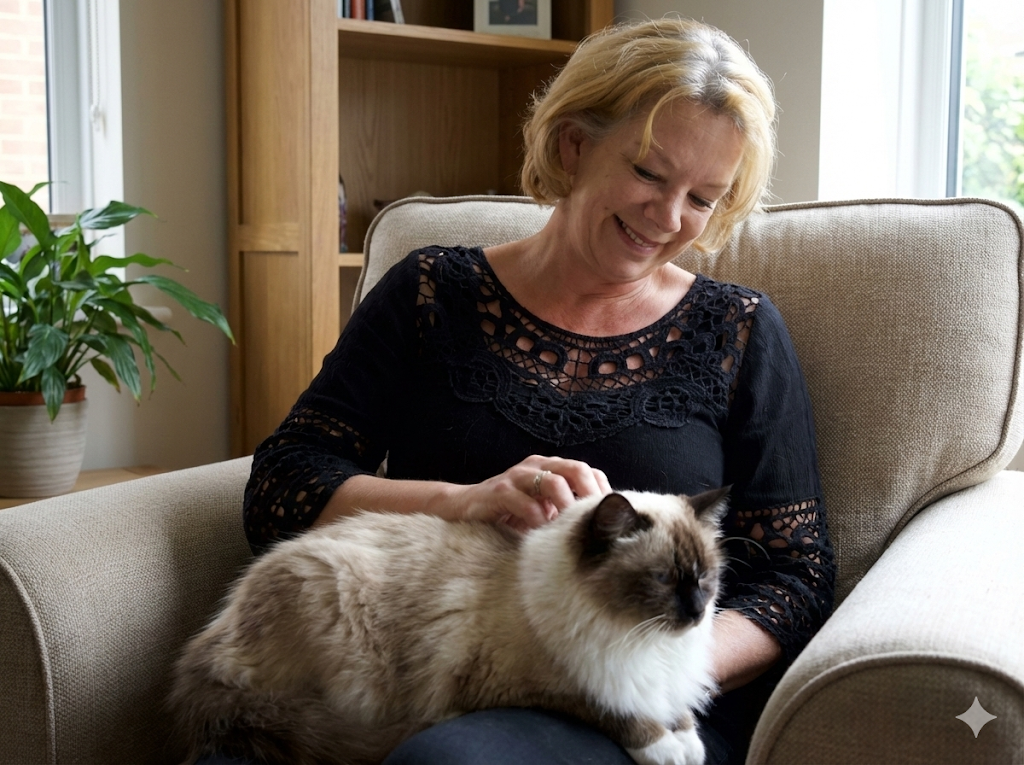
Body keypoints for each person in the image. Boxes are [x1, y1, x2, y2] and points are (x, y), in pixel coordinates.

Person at [243, 17, 835, 765]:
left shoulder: (737, 331)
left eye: (703, 198)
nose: (668, 216)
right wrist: (463, 500)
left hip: (637, 711)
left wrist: (633, 672)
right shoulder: (432, 292)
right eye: (651, 174)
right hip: (420, 659)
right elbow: (281, 487)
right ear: (574, 144)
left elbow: (800, 574)